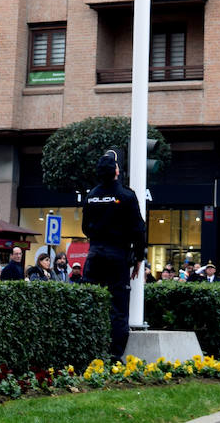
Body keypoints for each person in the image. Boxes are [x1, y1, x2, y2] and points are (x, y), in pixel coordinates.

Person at [81, 149, 146, 361]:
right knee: (118, 306)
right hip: (117, 256)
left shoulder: (91, 196)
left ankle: (88, 349)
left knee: (90, 301)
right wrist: (138, 258)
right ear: (117, 171)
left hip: (95, 255)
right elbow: (138, 229)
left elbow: (85, 228)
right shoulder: (127, 196)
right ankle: (115, 354)